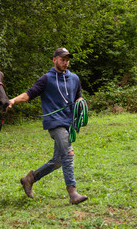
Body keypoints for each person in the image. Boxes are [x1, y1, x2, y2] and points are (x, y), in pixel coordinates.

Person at [8, 48, 88, 204]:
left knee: (58, 161)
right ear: (54, 60)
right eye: (62, 59)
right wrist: (13, 100)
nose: (65, 62)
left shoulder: (74, 78)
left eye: (67, 59)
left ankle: (29, 179)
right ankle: (73, 193)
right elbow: (28, 94)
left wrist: (80, 103)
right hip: (55, 123)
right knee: (68, 155)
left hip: (69, 123)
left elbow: (78, 96)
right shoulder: (46, 79)